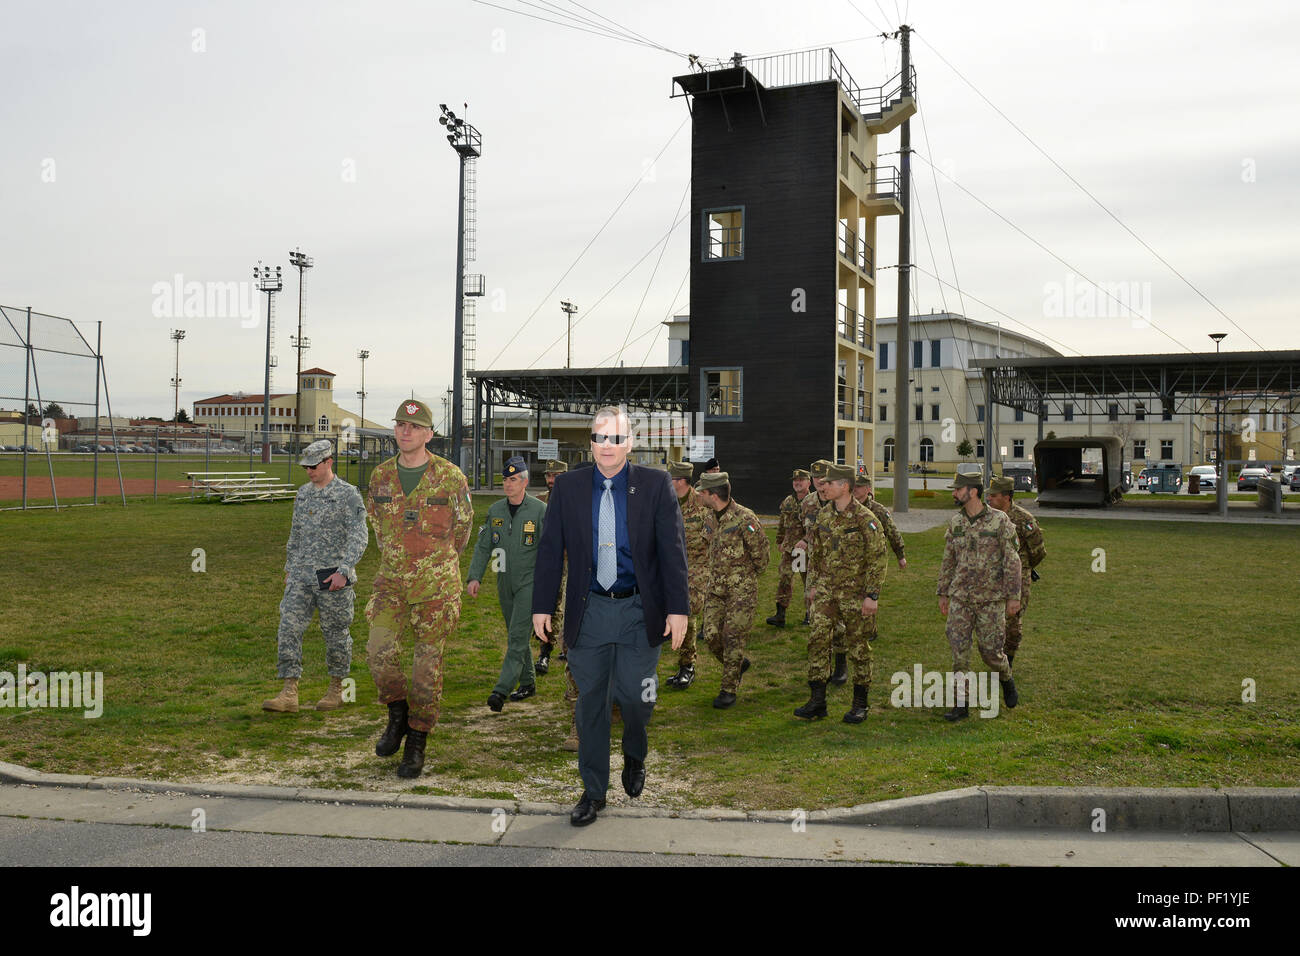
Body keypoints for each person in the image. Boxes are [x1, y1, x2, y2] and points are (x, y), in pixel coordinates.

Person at [531, 405, 689, 827]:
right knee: (591, 705)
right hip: (592, 609)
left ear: (630, 443)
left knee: (636, 697)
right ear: (591, 441)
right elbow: (550, 551)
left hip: (640, 609)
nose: (608, 446)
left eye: (616, 438)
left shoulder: (654, 485)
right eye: (600, 438)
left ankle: (635, 752)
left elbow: (673, 551)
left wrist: (678, 609)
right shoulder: (569, 486)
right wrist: (542, 605)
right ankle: (593, 791)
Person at [364, 399, 473, 777]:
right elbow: (378, 527)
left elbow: (462, 531)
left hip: (436, 587)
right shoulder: (379, 477)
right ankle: (397, 711)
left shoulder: (450, 478)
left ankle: (417, 739)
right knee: (378, 650)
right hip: (391, 581)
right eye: (399, 425)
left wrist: (434, 562)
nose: (405, 432)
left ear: (429, 434)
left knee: (427, 666)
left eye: (413, 427)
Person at [263, 439, 369, 714]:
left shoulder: (348, 494)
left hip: (332, 576)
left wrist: (344, 571)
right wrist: (290, 568)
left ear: (328, 462)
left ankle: (337, 688)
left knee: (335, 633)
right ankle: (289, 691)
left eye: (313, 466)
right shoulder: (303, 494)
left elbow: (359, 536)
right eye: (305, 467)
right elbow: (295, 534)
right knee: (288, 627)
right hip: (301, 575)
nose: (309, 471)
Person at [795, 464, 886, 723]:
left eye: (829, 483)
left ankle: (860, 703)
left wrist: (872, 595)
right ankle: (817, 701)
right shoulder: (824, 516)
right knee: (817, 641)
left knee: (858, 647)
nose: (823, 487)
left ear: (844, 486)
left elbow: (878, 558)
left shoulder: (865, 519)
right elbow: (817, 554)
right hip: (826, 591)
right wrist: (812, 586)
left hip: (855, 593)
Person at [936, 473, 1020, 721]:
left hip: (990, 599)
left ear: (972, 491)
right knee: (959, 652)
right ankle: (961, 704)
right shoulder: (956, 523)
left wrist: (1013, 595)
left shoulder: (999, 521)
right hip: (961, 597)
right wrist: (943, 591)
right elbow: (949, 559)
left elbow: (1012, 560)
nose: (954, 493)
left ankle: (1006, 677)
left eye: (957, 489)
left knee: (991, 653)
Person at [467, 456, 547, 711]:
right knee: (517, 633)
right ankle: (528, 682)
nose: (508, 484)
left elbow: (550, 549)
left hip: (529, 582)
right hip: (504, 582)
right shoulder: (496, 510)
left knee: (516, 636)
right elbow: (483, 546)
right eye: (505, 479)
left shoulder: (539, 510)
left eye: (513, 480)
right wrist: (474, 576)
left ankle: (501, 690)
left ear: (524, 482)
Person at [696, 471, 769, 708]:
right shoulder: (710, 517)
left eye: (702, 492)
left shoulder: (745, 518)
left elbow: (762, 557)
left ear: (713, 494)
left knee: (733, 636)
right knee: (711, 636)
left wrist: (744, 579)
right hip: (716, 588)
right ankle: (736, 663)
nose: (699, 495)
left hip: (741, 590)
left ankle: (728, 689)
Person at [987, 476, 1046, 665]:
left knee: (1012, 622)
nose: (989, 499)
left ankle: (1008, 661)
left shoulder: (1024, 519)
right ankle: (996, 656)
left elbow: (1038, 551)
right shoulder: (986, 518)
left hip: (1017, 579)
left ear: (1006, 497)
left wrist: (1024, 568)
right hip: (992, 577)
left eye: (993, 496)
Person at [665, 459, 710, 690]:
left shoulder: (702, 504)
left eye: (670, 478)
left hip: (696, 567)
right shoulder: (665, 501)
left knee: (688, 610)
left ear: (681, 481)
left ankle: (687, 665)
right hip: (669, 566)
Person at [535, 459, 568, 675]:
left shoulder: (576, 500)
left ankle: (570, 647)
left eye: (555, 476)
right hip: (551, 562)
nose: (551, 480)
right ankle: (545, 652)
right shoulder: (539, 502)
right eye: (548, 475)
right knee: (552, 605)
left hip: (575, 560)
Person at [767, 468, 811, 628]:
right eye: (795, 481)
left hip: (807, 550)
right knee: (785, 578)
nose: (797, 483)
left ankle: (810, 614)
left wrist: (807, 540)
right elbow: (782, 523)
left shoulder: (814, 502)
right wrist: (779, 540)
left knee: (809, 581)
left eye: (801, 480)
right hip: (790, 549)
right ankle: (780, 614)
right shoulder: (788, 501)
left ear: (809, 482)